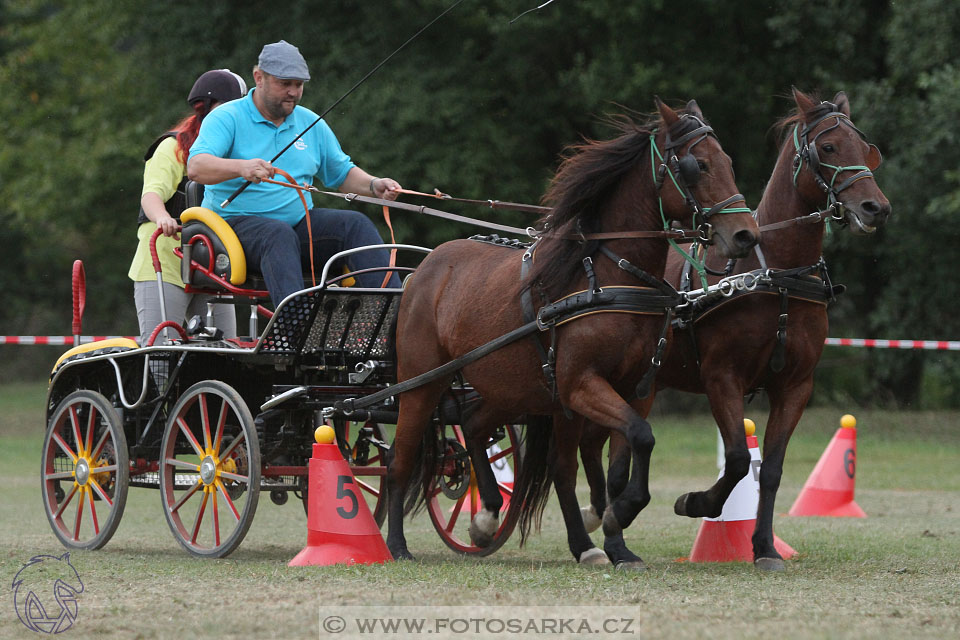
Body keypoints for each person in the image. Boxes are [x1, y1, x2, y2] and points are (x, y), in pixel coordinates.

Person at [187, 40, 402, 309]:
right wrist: (241, 167)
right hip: (234, 228)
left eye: (298, 85)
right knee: (277, 234)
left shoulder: (311, 122)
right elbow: (196, 167)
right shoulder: (226, 117)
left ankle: (390, 319)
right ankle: (295, 330)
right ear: (259, 78)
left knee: (355, 224)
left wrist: (374, 185)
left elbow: (341, 173)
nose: (292, 92)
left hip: (296, 227)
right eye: (284, 83)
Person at [128, 69, 246, 345]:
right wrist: (162, 219)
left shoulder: (236, 155)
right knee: (160, 353)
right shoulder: (173, 148)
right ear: (204, 109)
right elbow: (151, 196)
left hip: (210, 267)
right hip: (165, 264)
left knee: (227, 350)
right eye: (229, 107)